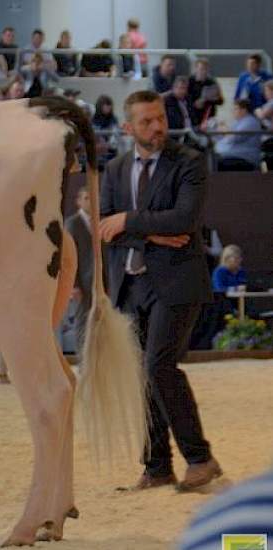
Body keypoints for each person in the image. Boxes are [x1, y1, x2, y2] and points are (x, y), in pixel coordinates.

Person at [97, 90, 222, 493]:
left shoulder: (189, 162)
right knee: (139, 377)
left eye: (161, 118)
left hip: (178, 284)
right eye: (147, 121)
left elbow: (184, 219)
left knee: (159, 366)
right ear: (127, 127)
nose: (157, 127)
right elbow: (104, 229)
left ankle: (200, 459)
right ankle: (157, 467)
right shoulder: (114, 170)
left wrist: (129, 221)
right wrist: (149, 233)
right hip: (130, 285)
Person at [65, 187, 105, 350]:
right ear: (79, 201)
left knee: (101, 324)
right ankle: (84, 365)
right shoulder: (72, 223)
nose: (92, 201)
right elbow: (68, 256)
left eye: (95, 197)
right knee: (83, 323)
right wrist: (73, 285)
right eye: (87, 198)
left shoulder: (102, 222)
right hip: (81, 282)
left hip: (101, 282)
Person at [214, 99, 263, 171]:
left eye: (235, 109)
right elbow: (224, 139)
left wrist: (224, 130)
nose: (233, 111)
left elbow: (235, 137)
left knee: (214, 164)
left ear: (244, 110)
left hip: (244, 158)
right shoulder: (238, 122)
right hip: (231, 156)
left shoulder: (251, 122)